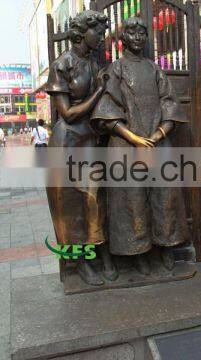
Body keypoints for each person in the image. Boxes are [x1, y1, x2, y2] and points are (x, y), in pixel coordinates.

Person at [91, 17, 189, 274]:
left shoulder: (155, 69)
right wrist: (134, 138)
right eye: (132, 33)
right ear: (123, 38)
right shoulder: (115, 69)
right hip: (125, 143)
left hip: (157, 141)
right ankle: (138, 254)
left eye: (142, 33)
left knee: (165, 196)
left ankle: (166, 247)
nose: (138, 37)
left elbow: (170, 104)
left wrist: (157, 135)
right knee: (130, 200)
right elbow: (106, 110)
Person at [45, 10, 117, 286]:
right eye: (97, 31)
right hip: (67, 141)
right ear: (82, 32)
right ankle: (80, 261)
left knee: (96, 200)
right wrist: (98, 91)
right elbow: (68, 113)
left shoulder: (96, 64)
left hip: (91, 140)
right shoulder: (62, 64)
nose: (101, 37)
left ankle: (101, 253)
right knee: (71, 205)